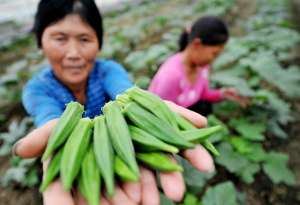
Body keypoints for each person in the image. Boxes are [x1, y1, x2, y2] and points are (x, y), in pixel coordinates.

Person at [12, 1, 214, 205]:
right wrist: (55, 127)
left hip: (118, 152)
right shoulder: (37, 90)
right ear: (40, 42)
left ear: (98, 42)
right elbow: (50, 119)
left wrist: (143, 103)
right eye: (60, 39)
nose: (73, 53)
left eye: (84, 39)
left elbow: (125, 93)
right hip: (93, 160)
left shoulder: (108, 71)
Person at [149, 16, 248, 116]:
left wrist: (222, 94)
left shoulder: (202, 67)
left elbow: (201, 93)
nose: (214, 60)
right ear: (197, 44)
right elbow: (159, 115)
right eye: (214, 54)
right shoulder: (170, 77)